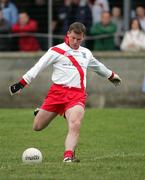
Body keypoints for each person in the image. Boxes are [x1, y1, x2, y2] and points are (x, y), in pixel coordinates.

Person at [9, 22, 122, 163]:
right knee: (37, 126)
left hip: (77, 95)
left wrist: (111, 76)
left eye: (79, 39)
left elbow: (98, 67)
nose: (75, 42)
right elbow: (38, 67)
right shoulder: (56, 50)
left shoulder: (86, 53)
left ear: (83, 38)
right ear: (68, 34)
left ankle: (68, 156)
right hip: (56, 93)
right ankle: (50, 112)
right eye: (73, 38)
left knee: (75, 123)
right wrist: (22, 83)